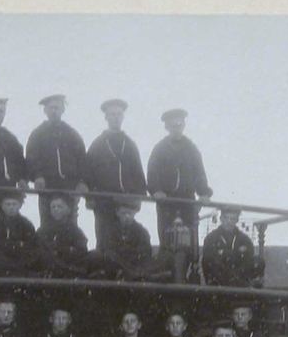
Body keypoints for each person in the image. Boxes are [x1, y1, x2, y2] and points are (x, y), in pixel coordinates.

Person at [147, 108, 212, 262]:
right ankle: (166, 274)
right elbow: (152, 172)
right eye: (172, 126)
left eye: (179, 124)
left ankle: (190, 274)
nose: (176, 128)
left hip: (187, 200)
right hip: (166, 201)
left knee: (190, 239)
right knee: (166, 237)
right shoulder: (160, 148)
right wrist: (156, 190)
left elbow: (199, 172)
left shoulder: (191, 148)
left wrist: (203, 193)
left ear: (183, 125)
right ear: (167, 128)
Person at [82, 98, 147, 250]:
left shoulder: (130, 145)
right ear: (106, 118)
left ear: (123, 117)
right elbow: (87, 173)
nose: (116, 117)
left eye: (119, 114)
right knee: (104, 240)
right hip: (103, 202)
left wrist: (138, 197)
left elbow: (138, 173)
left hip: (125, 202)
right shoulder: (98, 144)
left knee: (124, 241)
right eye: (112, 114)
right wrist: (89, 197)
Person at [25, 94, 87, 228]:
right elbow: (31, 158)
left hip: (69, 187)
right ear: (45, 111)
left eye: (57, 108)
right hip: (47, 187)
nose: (54, 111)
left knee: (70, 224)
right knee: (47, 223)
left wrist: (82, 181)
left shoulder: (72, 134)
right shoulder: (37, 134)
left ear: (63, 110)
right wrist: (37, 176)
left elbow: (82, 159)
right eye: (51, 108)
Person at [36, 195, 111, 278]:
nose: (56, 209)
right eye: (53, 207)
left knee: (96, 256)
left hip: (71, 264)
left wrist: (62, 251)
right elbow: (39, 248)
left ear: (68, 209)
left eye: (59, 206)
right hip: (52, 264)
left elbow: (81, 250)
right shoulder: (43, 230)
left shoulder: (75, 231)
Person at [103, 199, 171, 282]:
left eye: (129, 213)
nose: (127, 216)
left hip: (137, 263)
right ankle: (144, 275)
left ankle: (137, 274)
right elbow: (109, 251)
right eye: (124, 213)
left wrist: (128, 253)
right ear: (118, 213)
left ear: (134, 214)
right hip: (119, 265)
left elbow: (145, 251)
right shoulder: (111, 231)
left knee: (162, 259)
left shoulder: (141, 231)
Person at [201, 204, 263, 288]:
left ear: (236, 220)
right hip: (221, 277)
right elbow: (209, 257)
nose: (229, 221)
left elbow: (249, 254)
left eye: (232, 219)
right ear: (221, 219)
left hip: (238, 272)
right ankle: (239, 285)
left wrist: (226, 254)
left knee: (258, 261)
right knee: (210, 260)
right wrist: (236, 252)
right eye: (226, 218)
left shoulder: (244, 238)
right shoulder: (211, 237)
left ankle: (240, 285)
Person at [0, 189, 44, 277]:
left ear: (19, 206)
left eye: (14, 204)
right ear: (2, 206)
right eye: (8, 204)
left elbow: (32, 248)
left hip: (22, 268)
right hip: (0, 269)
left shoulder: (27, 225)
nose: (11, 207)